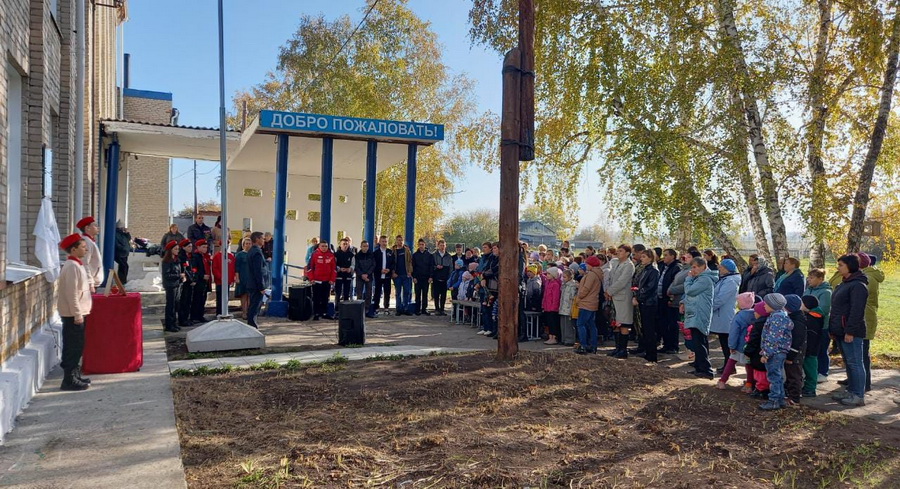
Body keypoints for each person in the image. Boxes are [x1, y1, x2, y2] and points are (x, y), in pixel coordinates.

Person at [829, 254, 869, 407]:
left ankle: (858, 395)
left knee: (855, 363)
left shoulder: (858, 285)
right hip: (841, 330)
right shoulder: (845, 283)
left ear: (850, 266)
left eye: (841, 265)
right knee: (849, 362)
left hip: (851, 331)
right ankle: (851, 390)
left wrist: (850, 331)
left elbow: (857, 311)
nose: (838, 268)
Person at [58, 234, 93, 391]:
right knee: (72, 346)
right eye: (83, 247)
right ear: (73, 249)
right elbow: (71, 293)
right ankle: (69, 379)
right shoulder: (71, 266)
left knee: (78, 345)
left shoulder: (77, 264)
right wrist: (77, 313)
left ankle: (75, 374)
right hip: (73, 315)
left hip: (78, 312)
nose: (85, 249)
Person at [682, 257, 719, 379]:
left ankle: (705, 369)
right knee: (697, 341)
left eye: (695, 267)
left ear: (703, 267)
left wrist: (688, 279)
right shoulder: (699, 278)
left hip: (699, 313)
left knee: (699, 342)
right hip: (695, 313)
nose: (693, 270)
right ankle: (699, 366)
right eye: (692, 267)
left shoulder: (705, 280)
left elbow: (690, 291)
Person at [758, 293, 793, 411]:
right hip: (778, 351)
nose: (764, 306)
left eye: (766, 304)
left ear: (773, 305)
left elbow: (773, 338)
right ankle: (781, 399)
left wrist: (766, 353)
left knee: (773, 376)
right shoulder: (779, 315)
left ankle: (773, 400)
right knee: (777, 376)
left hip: (774, 352)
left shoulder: (777, 318)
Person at [718, 292, 757, 389]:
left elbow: (734, 332)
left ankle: (722, 381)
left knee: (731, 362)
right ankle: (749, 384)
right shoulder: (755, 314)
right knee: (749, 365)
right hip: (749, 346)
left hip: (738, 345)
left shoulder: (739, 316)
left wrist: (731, 345)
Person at [710, 258, 742, 373]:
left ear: (727, 269)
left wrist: (710, 307)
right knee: (724, 341)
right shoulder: (726, 279)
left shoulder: (730, 281)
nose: (719, 269)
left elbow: (721, 298)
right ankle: (728, 365)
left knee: (726, 342)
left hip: (724, 314)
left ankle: (729, 366)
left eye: (722, 267)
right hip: (721, 314)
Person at [859, 253, 883, 393]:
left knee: (862, 353)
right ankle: (857, 380)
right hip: (865, 316)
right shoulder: (868, 275)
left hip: (865, 318)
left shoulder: (867, 278)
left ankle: (864, 383)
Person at [605, 245, 635, 358]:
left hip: (622, 297)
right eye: (618, 250)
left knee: (623, 324)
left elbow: (622, 281)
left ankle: (623, 349)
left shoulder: (629, 265)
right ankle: (617, 348)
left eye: (621, 251)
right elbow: (611, 278)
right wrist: (608, 290)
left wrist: (610, 291)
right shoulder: (615, 263)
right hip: (613, 296)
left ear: (627, 253)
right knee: (615, 323)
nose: (618, 252)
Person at [804, 269, 833, 382]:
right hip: (808, 324)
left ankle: (823, 372)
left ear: (820, 279)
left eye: (812, 278)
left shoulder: (826, 292)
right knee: (811, 349)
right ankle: (811, 372)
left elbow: (824, 309)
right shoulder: (808, 290)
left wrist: (807, 310)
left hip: (821, 325)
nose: (809, 280)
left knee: (821, 349)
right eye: (809, 277)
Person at [633, 249, 660, 363]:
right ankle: (647, 351)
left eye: (644, 257)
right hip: (644, 302)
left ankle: (652, 354)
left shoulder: (653, 271)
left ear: (650, 258)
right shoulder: (645, 269)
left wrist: (639, 297)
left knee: (649, 329)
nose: (641, 258)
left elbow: (650, 288)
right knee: (645, 328)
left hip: (649, 303)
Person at [575, 256, 603, 354]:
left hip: (586, 303)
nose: (586, 266)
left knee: (581, 323)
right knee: (591, 324)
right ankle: (593, 345)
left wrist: (579, 296)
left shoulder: (591, 275)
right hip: (593, 302)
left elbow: (586, 288)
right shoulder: (597, 274)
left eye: (587, 264)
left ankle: (584, 345)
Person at [783, 294, 807, 406]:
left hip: (795, 354)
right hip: (792, 352)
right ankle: (790, 394)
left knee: (794, 375)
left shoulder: (797, 323)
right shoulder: (794, 318)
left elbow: (796, 341)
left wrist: (790, 356)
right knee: (790, 374)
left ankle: (794, 398)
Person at [306, 240, 337, 321]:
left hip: (327, 281)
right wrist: (311, 278)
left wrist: (332, 279)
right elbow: (309, 267)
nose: (324, 248)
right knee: (316, 298)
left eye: (325, 246)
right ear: (319, 246)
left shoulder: (331, 255)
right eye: (322, 246)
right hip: (316, 281)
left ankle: (324, 313)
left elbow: (334, 268)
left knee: (325, 297)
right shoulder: (314, 254)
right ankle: (316, 314)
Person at [801, 295, 824, 398]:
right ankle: (808, 387)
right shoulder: (811, 316)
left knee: (810, 369)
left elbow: (811, 335)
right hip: (810, 347)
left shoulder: (813, 319)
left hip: (811, 348)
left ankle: (810, 389)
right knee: (809, 367)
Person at [244, 233, 268, 328]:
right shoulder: (256, 252)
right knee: (255, 306)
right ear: (257, 239)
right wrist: (261, 286)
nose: (264, 240)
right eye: (262, 238)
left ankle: (252, 324)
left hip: (252, 283)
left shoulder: (252, 251)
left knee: (254, 305)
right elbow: (258, 271)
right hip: (256, 285)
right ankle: (252, 326)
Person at [161, 240, 185, 333]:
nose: (177, 251)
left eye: (178, 249)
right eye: (175, 249)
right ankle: (169, 324)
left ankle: (174, 323)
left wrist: (181, 278)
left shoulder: (176, 260)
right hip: (170, 285)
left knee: (175, 305)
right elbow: (167, 275)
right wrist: (179, 276)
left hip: (177, 284)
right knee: (170, 305)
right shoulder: (167, 261)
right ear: (170, 250)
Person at [76, 216, 103, 293]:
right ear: (87, 228)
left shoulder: (90, 241)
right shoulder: (86, 242)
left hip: (93, 281)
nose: (98, 227)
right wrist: (90, 283)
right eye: (95, 225)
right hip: (90, 283)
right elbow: (84, 263)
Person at [211, 241, 237, 317]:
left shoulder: (231, 256)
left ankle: (226, 311)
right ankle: (219, 312)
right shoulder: (217, 256)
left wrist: (232, 279)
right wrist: (221, 278)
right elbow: (215, 269)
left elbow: (233, 269)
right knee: (220, 297)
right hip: (220, 281)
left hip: (228, 281)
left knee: (226, 297)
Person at [190, 240, 212, 323]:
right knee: (197, 299)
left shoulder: (205, 256)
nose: (205, 249)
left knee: (203, 299)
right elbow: (194, 269)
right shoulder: (195, 256)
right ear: (198, 247)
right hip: (199, 281)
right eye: (203, 247)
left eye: (206, 247)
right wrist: (202, 276)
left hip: (205, 281)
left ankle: (200, 315)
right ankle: (194, 316)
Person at [372, 235, 394, 316]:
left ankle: (386, 308)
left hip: (387, 276)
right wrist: (380, 270)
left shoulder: (390, 252)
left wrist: (389, 269)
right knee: (377, 292)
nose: (384, 243)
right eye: (383, 241)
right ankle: (376, 308)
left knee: (387, 292)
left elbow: (393, 263)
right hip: (378, 276)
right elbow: (374, 265)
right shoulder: (376, 253)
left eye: (385, 241)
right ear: (380, 242)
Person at [411, 238, 434, 315]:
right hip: (417, 278)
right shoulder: (415, 255)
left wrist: (431, 276)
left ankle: (424, 309)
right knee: (417, 294)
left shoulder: (429, 255)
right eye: (420, 244)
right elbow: (413, 267)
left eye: (422, 244)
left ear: (425, 245)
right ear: (418, 245)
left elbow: (431, 266)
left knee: (425, 294)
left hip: (426, 278)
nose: (421, 246)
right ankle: (417, 309)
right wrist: (413, 277)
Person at [392, 236, 413, 315]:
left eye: (401, 240)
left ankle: (406, 308)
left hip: (406, 274)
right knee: (398, 293)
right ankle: (398, 309)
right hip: (397, 275)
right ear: (396, 241)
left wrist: (410, 271)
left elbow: (410, 261)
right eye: (398, 240)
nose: (400, 242)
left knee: (407, 292)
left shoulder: (407, 250)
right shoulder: (393, 251)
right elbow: (391, 263)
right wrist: (393, 272)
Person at [355, 240, 376, 318]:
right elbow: (356, 267)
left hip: (369, 276)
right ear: (361, 246)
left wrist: (367, 274)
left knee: (369, 294)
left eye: (367, 246)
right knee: (359, 294)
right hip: (359, 277)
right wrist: (362, 275)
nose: (365, 248)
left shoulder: (372, 255)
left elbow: (373, 265)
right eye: (364, 246)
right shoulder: (357, 255)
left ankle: (367, 310)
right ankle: (359, 310)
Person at [542, 267, 562, 345]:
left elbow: (556, 297)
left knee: (553, 323)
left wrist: (554, 307)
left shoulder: (556, 284)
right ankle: (550, 337)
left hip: (552, 308)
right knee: (549, 323)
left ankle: (554, 337)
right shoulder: (548, 283)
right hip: (547, 306)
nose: (547, 275)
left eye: (549, 274)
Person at [432, 239, 453, 315]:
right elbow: (431, 266)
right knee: (436, 294)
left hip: (445, 278)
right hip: (436, 278)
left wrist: (449, 278)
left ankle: (442, 309)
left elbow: (451, 268)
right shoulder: (434, 255)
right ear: (438, 246)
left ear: (445, 246)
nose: (442, 247)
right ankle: (437, 309)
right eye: (441, 245)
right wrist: (436, 267)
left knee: (443, 295)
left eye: (443, 245)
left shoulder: (449, 256)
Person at [334, 237, 355, 311]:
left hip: (348, 276)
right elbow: (334, 264)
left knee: (346, 294)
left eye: (346, 244)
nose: (345, 245)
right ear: (340, 245)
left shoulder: (351, 255)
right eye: (343, 244)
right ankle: (336, 309)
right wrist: (339, 268)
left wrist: (350, 269)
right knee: (338, 293)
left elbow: (353, 265)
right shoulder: (336, 254)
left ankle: (346, 310)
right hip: (339, 276)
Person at [559, 268, 578, 346]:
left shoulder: (573, 285)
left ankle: (570, 340)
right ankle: (564, 338)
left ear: (570, 277)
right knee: (563, 324)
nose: (563, 279)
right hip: (563, 307)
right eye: (562, 277)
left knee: (569, 325)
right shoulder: (564, 285)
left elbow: (573, 297)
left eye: (565, 277)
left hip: (569, 307)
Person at [177, 239, 195, 327]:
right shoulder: (182, 257)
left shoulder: (189, 256)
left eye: (191, 246)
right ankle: (182, 319)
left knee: (188, 301)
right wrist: (190, 280)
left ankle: (186, 318)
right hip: (185, 282)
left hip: (190, 281)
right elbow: (184, 270)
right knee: (183, 301)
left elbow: (191, 269)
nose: (190, 248)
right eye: (188, 247)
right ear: (183, 247)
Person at [235, 237, 252, 319]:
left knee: (250, 296)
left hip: (251, 277)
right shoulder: (239, 255)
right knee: (244, 295)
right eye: (246, 244)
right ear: (243, 245)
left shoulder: (253, 253)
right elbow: (237, 267)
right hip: (243, 276)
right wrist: (237, 278)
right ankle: (244, 312)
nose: (248, 245)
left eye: (249, 244)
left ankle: (249, 311)